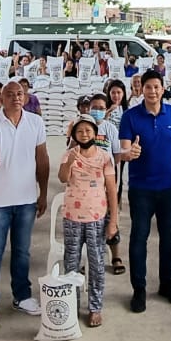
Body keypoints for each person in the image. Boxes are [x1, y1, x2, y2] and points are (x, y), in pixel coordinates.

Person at [0, 81, 51, 334]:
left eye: (20, 94)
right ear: (1, 99)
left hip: (27, 199)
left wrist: (43, 192)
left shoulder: (35, 123)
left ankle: (22, 296)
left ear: (26, 96)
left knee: (22, 252)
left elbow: (42, 159)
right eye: (10, 94)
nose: (16, 98)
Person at [118, 70, 171, 313]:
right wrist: (129, 154)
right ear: (141, 89)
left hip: (169, 188)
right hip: (141, 190)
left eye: (156, 87)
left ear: (162, 89)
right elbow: (125, 150)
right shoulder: (130, 117)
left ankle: (167, 283)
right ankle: (139, 289)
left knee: (169, 238)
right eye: (148, 87)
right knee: (139, 238)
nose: (152, 91)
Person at [59, 114, 119, 327]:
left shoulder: (104, 157)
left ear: (95, 133)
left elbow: (112, 189)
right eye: (80, 131)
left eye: (88, 130)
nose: (84, 134)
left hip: (97, 218)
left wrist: (113, 221)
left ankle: (95, 308)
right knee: (71, 264)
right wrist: (69, 162)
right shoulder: (69, 153)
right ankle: (71, 305)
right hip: (72, 218)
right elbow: (63, 178)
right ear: (75, 135)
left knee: (96, 264)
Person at [87, 94, 127, 275]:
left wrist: (111, 176)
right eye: (94, 107)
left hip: (107, 182)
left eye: (101, 108)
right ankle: (89, 259)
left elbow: (117, 155)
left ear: (106, 110)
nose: (98, 111)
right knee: (87, 223)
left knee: (111, 218)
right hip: (86, 185)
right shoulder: (83, 127)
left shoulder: (109, 128)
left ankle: (115, 256)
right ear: (88, 108)